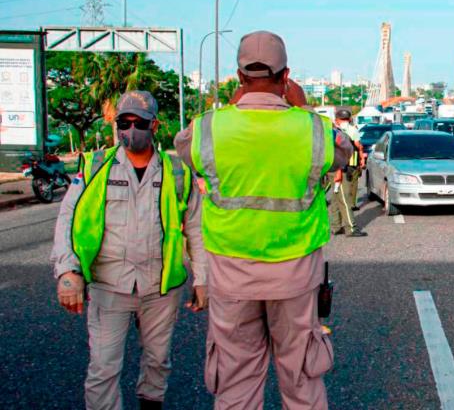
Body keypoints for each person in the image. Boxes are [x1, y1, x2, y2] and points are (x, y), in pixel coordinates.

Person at [174, 30, 353, 409]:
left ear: (239, 78)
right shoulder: (313, 130)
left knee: (236, 379)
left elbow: (184, 148)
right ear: (285, 76)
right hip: (294, 272)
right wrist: (303, 110)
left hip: (231, 272)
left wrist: (231, 107)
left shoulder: (208, 128)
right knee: (301, 377)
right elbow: (344, 152)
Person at [51, 90, 207, 410]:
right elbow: (68, 220)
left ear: (155, 125)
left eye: (140, 122)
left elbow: (196, 229)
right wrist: (68, 271)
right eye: (125, 121)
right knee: (103, 368)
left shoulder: (176, 173)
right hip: (110, 284)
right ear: (116, 124)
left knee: (158, 361)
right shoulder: (95, 167)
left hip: (161, 285)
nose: (132, 128)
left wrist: (203, 278)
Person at [334, 108, 365, 211]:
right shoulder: (353, 130)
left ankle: (338, 202)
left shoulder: (335, 130)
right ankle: (351, 203)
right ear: (350, 119)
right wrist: (362, 159)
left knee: (336, 182)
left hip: (337, 161)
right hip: (352, 160)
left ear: (338, 119)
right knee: (353, 182)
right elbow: (358, 146)